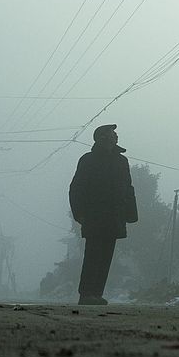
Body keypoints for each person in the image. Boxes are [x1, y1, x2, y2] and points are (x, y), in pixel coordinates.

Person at [68, 124, 138, 305]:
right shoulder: (88, 160)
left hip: (114, 217)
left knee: (106, 255)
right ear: (102, 138)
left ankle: (96, 293)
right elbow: (76, 188)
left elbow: (128, 188)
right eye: (112, 134)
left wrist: (130, 214)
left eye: (115, 134)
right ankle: (86, 293)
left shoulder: (122, 162)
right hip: (94, 217)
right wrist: (80, 214)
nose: (116, 137)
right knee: (93, 254)